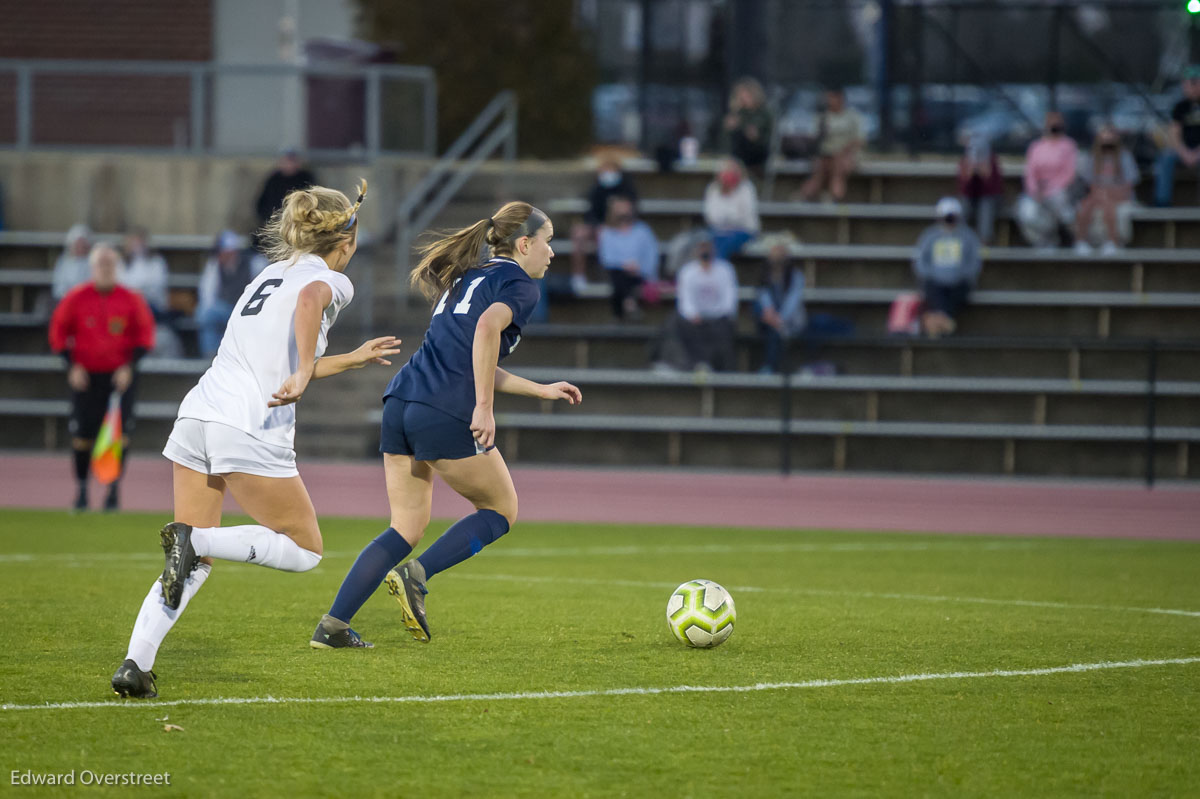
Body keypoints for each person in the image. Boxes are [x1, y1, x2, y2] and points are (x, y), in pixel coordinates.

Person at [110, 180, 404, 699]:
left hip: (198, 414)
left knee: (192, 564)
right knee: (307, 549)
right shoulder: (330, 280)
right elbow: (311, 305)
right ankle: (194, 540)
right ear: (346, 241)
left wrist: (341, 360)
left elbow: (281, 361)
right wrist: (304, 371)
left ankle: (136, 664)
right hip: (248, 424)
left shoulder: (268, 274)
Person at [311, 201, 582, 649]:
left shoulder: (468, 277)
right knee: (501, 510)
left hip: (402, 400)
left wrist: (539, 390)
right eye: (549, 242)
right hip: (444, 408)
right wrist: (483, 408)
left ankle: (333, 625)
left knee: (405, 528)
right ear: (525, 243)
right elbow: (486, 334)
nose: (552, 253)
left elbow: (473, 357)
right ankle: (417, 574)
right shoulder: (519, 285)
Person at [48, 243, 155, 512]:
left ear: (116, 268)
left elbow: (145, 336)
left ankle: (113, 491)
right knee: (83, 434)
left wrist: (129, 366)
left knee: (118, 436)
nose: (106, 269)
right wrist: (71, 366)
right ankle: (82, 490)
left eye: (110, 264)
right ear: (93, 268)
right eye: (101, 264)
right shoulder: (76, 297)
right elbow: (58, 333)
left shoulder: (131, 299)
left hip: (119, 379)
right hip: (86, 377)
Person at [657, 236, 739, 372]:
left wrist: (719, 315)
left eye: (707, 247)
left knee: (726, 327)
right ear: (696, 250)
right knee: (675, 322)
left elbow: (729, 299)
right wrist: (693, 315)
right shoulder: (687, 271)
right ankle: (688, 365)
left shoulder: (726, 270)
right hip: (695, 318)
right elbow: (685, 300)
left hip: (718, 317)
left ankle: (723, 368)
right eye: (701, 247)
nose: (704, 250)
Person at [911, 198, 983, 338]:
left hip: (960, 282)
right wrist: (932, 274)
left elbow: (975, 261)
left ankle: (936, 323)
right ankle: (945, 323)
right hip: (935, 282)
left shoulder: (968, 236)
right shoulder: (929, 236)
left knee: (958, 291)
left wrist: (960, 275)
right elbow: (920, 260)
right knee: (932, 289)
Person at [569, 155, 638, 293]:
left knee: (606, 235)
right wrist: (597, 226)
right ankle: (578, 276)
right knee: (579, 233)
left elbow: (631, 213)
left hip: (620, 228)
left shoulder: (626, 189)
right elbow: (591, 214)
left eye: (611, 170)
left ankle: (608, 275)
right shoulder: (597, 190)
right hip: (598, 227)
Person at [1015, 111, 1079, 249]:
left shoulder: (1069, 145)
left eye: (1057, 123)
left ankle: (1072, 240)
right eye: (1051, 123)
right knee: (1027, 212)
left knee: (1061, 208)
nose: (1054, 126)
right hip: (1037, 191)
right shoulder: (1036, 146)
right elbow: (1030, 173)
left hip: (1061, 191)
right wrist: (1035, 190)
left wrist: (1051, 189)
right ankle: (1044, 239)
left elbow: (1069, 173)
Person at [195, 231, 262, 358]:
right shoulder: (214, 265)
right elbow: (207, 294)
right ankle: (211, 355)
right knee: (206, 315)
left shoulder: (253, 264)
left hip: (245, 309)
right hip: (225, 308)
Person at [1074, 125, 1139, 255]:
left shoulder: (1125, 157)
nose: (1107, 146)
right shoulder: (1093, 158)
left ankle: (1112, 242)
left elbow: (1128, 186)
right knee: (1085, 205)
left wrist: (1109, 194)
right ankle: (1081, 242)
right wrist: (1101, 194)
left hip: (1121, 195)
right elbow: (1091, 185)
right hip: (1099, 194)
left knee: (1108, 205)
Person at [597, 196, 659, 320]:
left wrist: (639, 267)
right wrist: (623, 265)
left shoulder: (643, 231)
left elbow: (651, 256)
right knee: (619, 275)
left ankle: (619, 313)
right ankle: (629, 303)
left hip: (639, 272)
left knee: (623, 279)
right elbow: (606, 259)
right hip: (616, 272)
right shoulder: (607, 232)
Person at [799, 89, 864, 203]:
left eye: (831, 98)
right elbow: (814, 140)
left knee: (837, 166)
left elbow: (860, 140)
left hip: (846, 155)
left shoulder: (852, 116)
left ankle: (834, 197)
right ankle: (806, 196)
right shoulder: (822, 117)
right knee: (820, 167)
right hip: (826, 156)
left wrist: (843, 151)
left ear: (840, 99)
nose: (828, 101)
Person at [1154, 65, 1200, 208]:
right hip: (1183, 150)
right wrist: (1185, 153)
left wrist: (1197, 154)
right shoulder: (1180, 107)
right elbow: (1174, 134)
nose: (1188, 87)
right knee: (1166, 158)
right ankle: (1162, 202)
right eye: (1186, 83)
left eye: (1193, 82)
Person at [703, 158, 760, 260]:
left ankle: (720, 273)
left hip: (744, 231)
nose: (730, 174)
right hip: (718, 230)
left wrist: (726, 218)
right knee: (705, 243)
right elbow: (711, 216)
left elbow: (744, 216)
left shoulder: (747, 188)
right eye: (727, 171)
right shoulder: (713, 188)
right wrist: (729, 217)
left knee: (724, 246)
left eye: (733, 171)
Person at [255, 148, 317, 235]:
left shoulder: (305, 178)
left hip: (299, 223)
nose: (289, 165)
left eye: (292, 162)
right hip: (275, 222)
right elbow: (262, 203)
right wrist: (269, 219)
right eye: (286, 162)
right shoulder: (274, 179)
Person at [957, 134, 1005, 244]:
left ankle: (985, 240)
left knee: (986, 203)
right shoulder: (965, 162)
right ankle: (959, 240)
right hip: (970, 198)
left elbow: (995, 190)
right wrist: (969, 176)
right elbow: (964, 190)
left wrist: (986, 175)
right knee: (964, 205)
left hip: (989, 198)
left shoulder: (992, 160)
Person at [720, 77, 773, 171]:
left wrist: (744, 127)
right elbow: (725, 141)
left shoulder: (764, 113)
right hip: (737, 159)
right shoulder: (739, 112)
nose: (743, 98)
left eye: (746, 95)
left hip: (757, 158)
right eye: (739, 95)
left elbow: (762, 137)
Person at [51, 224, 93, 300]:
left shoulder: (93, 262)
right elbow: (59, 288)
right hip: (67, 300)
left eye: (82, 244)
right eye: (77, 244)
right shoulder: (63, 262)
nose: (80, 247)